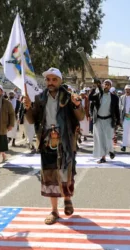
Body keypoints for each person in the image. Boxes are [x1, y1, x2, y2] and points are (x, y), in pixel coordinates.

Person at [24, 67, 84, 225]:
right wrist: (28, 107)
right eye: (48, 80)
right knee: (50, 177)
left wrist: (77, 105)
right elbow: (31, 120)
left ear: (60, 81)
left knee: (66, 173)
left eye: (54, 79)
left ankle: (67, 199)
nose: (50, 83)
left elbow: (81, 116)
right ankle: (54, 211)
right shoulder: (39, 98)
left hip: (65, 141)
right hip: (46, 142)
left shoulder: (69, 97)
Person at [89, 79, 120, 163]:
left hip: (109, 120)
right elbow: (90, 98)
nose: (106, 86)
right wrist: (94, 87)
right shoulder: (98, 94)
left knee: (109, 137)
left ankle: (111, 150)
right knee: (100, 139)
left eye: (108, 84)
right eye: (105, 84)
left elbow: (117, 110)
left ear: (110, 86)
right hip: (98, 120)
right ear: (102, 85)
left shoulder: (114, 98)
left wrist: (118, 121)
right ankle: (103, 157)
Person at [119, 85, 130, 152]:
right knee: (125, 131)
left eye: (129, 89)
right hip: (125, 117)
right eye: (126, 89)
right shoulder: (122, 97)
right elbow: (119, 106)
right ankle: (124, 146)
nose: (127, 91)